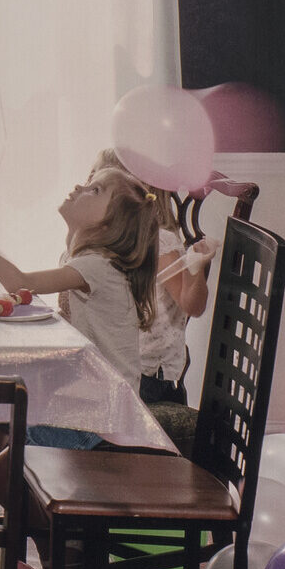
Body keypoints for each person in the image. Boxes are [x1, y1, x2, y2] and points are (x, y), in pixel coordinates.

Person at [0, 166, 163, 503]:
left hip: (99, 416)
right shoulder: (81, 259)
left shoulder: (98, 267)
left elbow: (19, 282)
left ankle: (60, 548)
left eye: (96, 190)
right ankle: (45, 532)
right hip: (76, 399)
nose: (80, 187)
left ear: (108, 225)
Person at [92, 149, 216, 439]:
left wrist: (195, 267)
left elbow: (192, 305)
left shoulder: (159, 242)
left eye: (97, 188)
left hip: (147, 381)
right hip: (119, 369)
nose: (87, 192)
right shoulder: (105, 242)